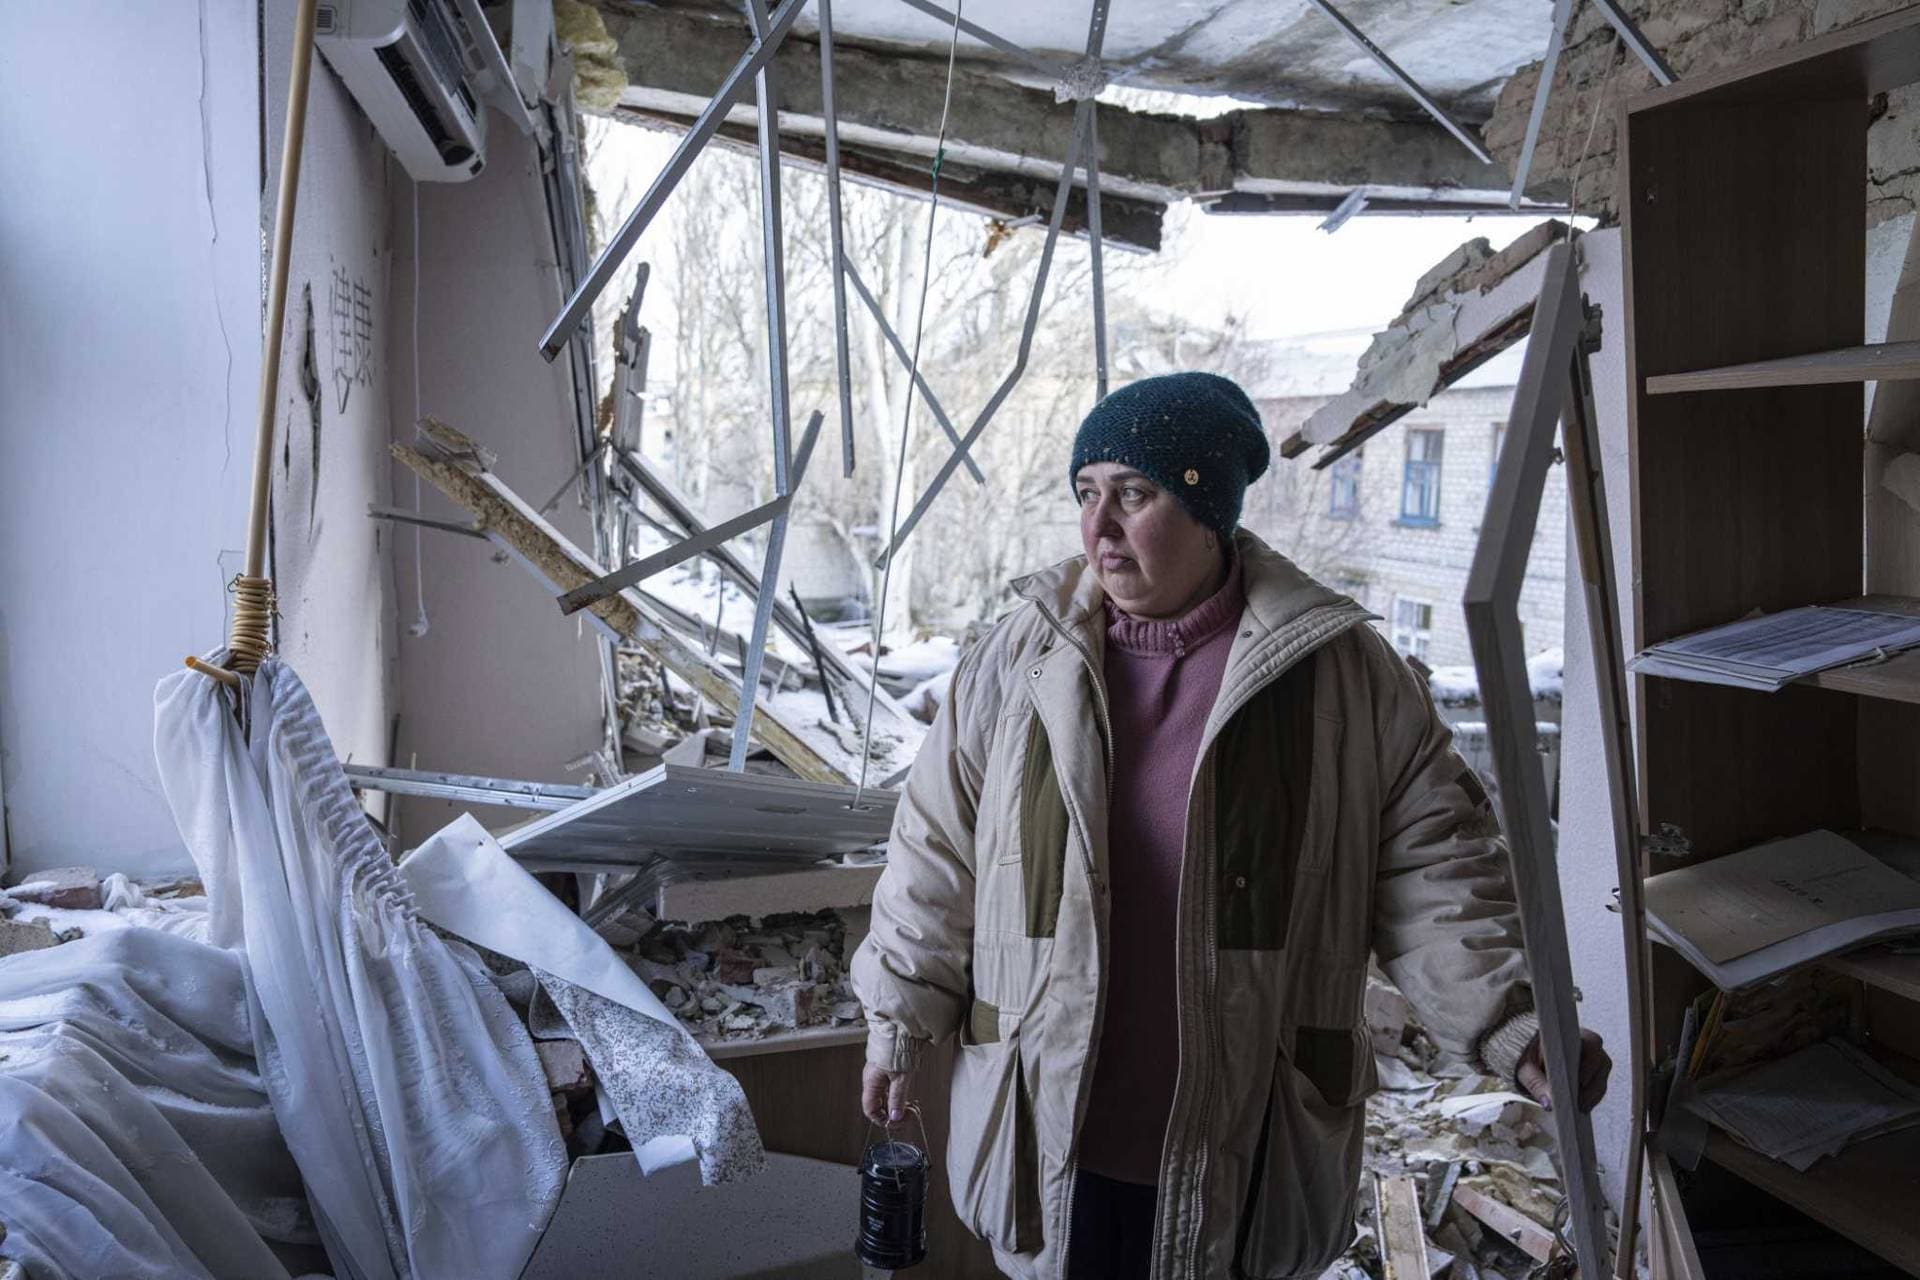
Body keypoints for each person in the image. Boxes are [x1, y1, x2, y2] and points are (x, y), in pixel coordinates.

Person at [850, 372, 1609, 1280]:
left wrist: (1507, 1020)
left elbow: (1435, 871)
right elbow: (935, 851)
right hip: (1049, 1122)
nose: (1100, 527)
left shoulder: (1342, 675)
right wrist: (898, 1018)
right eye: (1087, 493)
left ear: (1210, 508)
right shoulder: (1017, 657)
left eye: (1135, 493)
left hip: (1246, 1138)